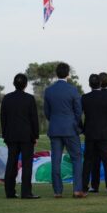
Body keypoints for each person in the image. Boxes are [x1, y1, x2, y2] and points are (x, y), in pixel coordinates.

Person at [44, 62, 85, 198]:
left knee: (56, 160)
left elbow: (47, 112)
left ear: (56, 74)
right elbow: (78, 111)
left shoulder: (49, 91)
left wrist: (55, 121)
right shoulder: (72, 90)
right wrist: (74, 123)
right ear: (68, 74)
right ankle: (77, 189)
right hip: (70, 129)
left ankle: (57, 191)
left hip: (55, 129)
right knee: (76, 158)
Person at [1, 73, 40, 199]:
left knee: (11, 163)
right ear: (26, 84)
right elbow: (34, 119)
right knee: (27, 164)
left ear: (14, 84)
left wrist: (5, 135)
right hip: (26, 136)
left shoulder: (7, 98)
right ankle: (26, 192)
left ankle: (9, 191)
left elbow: (3, 119)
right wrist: (35, 135)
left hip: (11, 136)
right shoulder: (29, 99)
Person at [81, 74, 107, 196]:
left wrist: (83, 128)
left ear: (89, 84)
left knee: (88, 161)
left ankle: (84, 188)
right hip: (104, 134)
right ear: (100, 83)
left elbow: (79, 115)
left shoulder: (85, 98)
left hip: (90, 133)